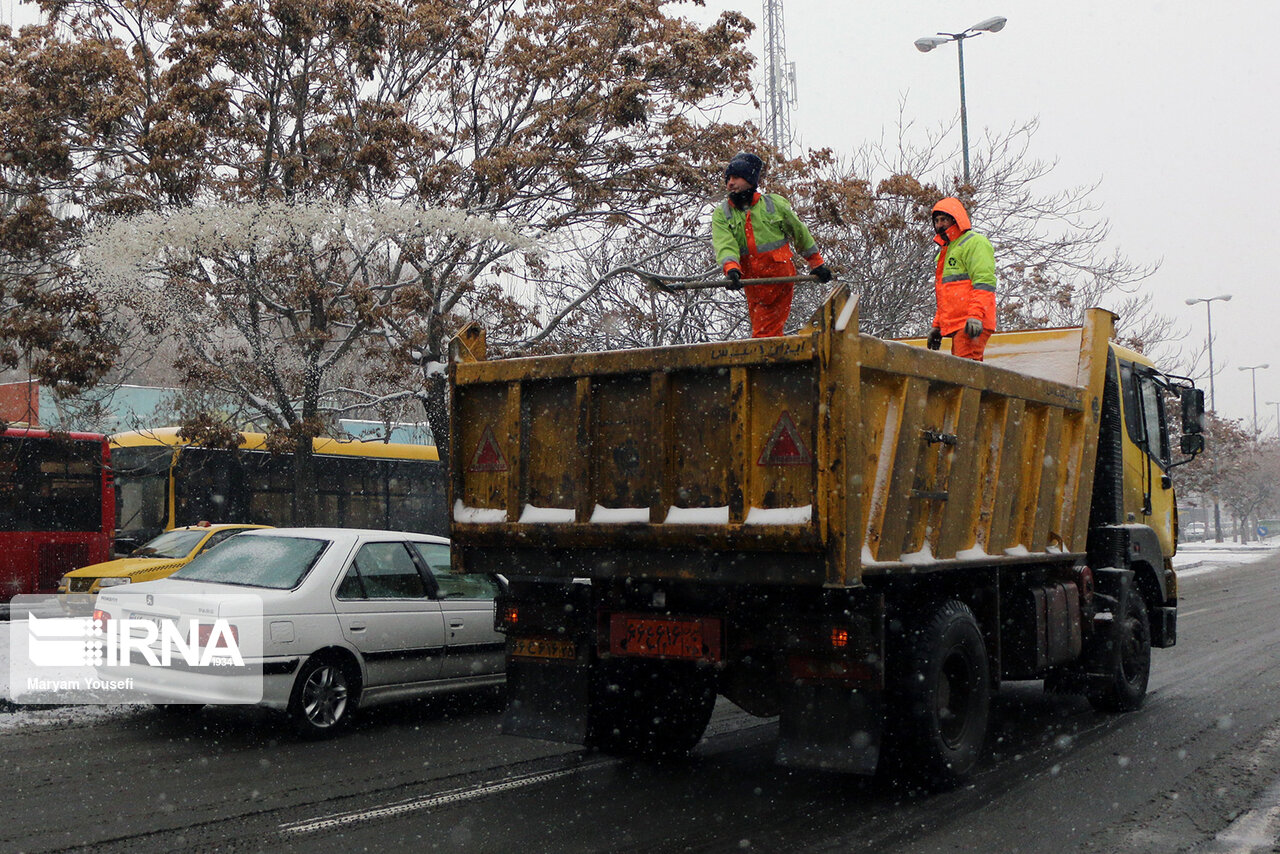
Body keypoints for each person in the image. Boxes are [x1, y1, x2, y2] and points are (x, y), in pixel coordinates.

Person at [711, 152, 833, 338]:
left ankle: (765, 361)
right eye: (728, 178)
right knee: (765, 330)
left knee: (764, 332)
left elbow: (799, 233)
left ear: (749, 180)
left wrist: (817, 264)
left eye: (735, 177)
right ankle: (770, 359)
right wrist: (731, 269)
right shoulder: (723, 213)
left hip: (778, 277)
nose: (730, 183)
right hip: (752, 281)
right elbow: (724, 243)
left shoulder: (773, 205)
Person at [926, 197, 997, 361]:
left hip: (970, 321)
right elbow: (947, 294)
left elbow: (984, 283)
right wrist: (937, 325)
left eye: (943, 219)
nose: (939, 225)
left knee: (965, 375)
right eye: (936, 220)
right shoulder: (949, 249)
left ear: (955, 218)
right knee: (962, 372)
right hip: (961, 323)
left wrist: (975, 316)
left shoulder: (973, 243)